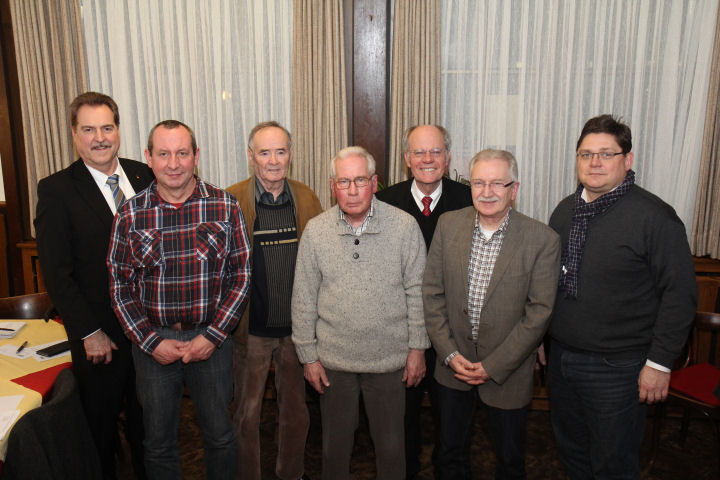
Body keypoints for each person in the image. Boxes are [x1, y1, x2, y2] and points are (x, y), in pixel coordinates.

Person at [548, 114, 697, 479]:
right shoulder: (565, 211)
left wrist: (660, 364)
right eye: (586, 154)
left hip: (619, 369)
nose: (594, 163)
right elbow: (550, 281)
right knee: (572, 456)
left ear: (627, 160)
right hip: (562, 360)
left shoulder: (656, 218)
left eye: (606, 154)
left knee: (613, 464)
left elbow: (680, 295)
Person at [108, 120, 250, 479]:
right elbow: (119, 284)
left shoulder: (225, 206)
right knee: (158, 442)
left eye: (182, 153)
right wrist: (149, 341)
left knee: (220, 436)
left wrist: (213, 336)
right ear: (149, 158)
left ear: (196, 156)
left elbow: (242, 276)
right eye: (164, 154)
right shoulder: (130, 213)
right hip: (153, 346)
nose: (174, 163)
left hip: (212, 343)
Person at [291, 146, 428, 480]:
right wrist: (308, 357)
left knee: (392, 451)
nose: (352, 191)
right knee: (334, 451)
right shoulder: (316, 231)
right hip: (333, 364)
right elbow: (303, 297)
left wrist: (417, 349)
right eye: (343, 182)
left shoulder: (404, 226)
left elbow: (418, 293)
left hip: (389, 361)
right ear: (332, 185)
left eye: (360, 181)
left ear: (375, 182)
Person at [35, 91, 152, 479]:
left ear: (118, 129)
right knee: (100, 434)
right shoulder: (56, 190)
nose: (99, 137)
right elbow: (57, 273)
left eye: (107, 127)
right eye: (89, 129)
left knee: (151, 429)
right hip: (101, 338)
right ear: (74, 134)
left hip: (152, 333)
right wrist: (89, 332)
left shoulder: (145, 175)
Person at [423, 149, 560, 480]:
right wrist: (450, 353)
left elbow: (539, 313)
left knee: (510, 461)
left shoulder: (542, 239)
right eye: (479, 182)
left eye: (498, 183)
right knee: (448, 455)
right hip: (452, 369)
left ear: (514, 188)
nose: (487, 192)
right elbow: (432, 294)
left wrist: (493, 365)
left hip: (507, 374)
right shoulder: (448, 225)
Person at [226, 121, 321, 480]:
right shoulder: (231, 199)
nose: (273, 160)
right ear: (251, 157)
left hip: (297, 331)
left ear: (291, 155)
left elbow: (321, 259)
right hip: (250, 330)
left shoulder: (307, 197)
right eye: (264, 152)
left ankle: (291, 474)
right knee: (247, 415)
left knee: (296, 414)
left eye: (280, 151)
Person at [376, 124, 471, 478]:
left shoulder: (469, 200)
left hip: (455, 334)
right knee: (402, 425)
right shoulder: (385, 204)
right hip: (401, 336)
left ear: (447, 157)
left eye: (435, 152)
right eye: (419, 152)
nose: (427, 159)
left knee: (454, 426)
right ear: (406, 159)